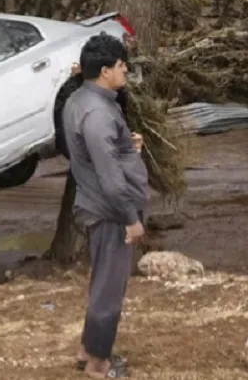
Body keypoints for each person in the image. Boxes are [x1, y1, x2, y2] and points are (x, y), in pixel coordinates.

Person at [61, 34, 150, 378]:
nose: (125, 69)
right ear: (104, 71)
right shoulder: (97, 113)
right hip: (110, 211)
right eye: (119, 65)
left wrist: (129, 148)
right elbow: (110, 176)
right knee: (110, 288)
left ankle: (88, 350)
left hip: (98, 205)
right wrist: (131, 219)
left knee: (102, 282)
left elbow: (99, 153)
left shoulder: (81, 100)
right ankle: (98, 365)